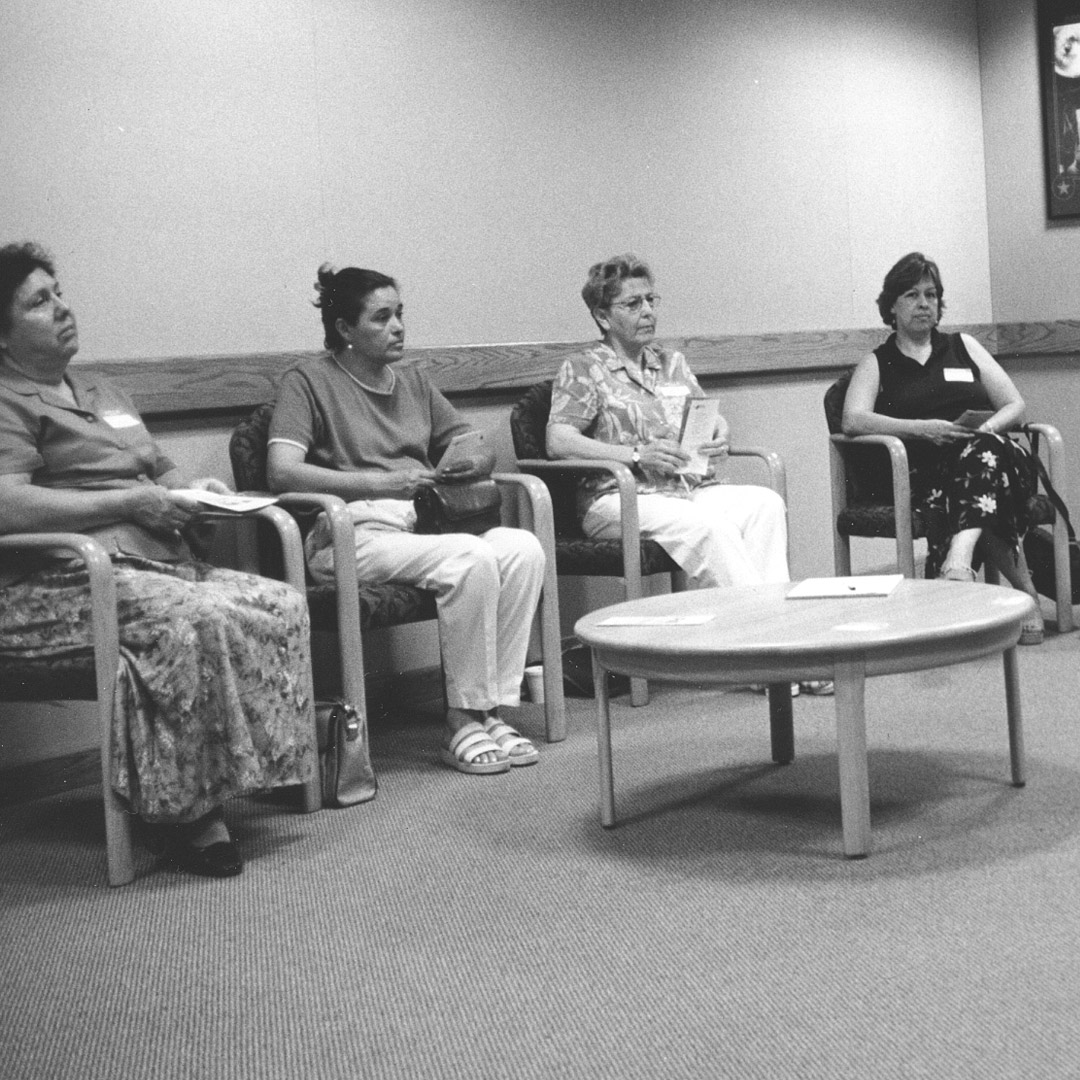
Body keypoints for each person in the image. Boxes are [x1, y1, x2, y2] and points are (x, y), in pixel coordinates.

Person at [0, 242, 317, 877]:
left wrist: (201, 493)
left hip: (152, 559)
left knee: (277, 601)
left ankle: (251, 775)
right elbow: (8, 504)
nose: (63, 308)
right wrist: (133, 502)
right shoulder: (8, 399)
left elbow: (155, 463)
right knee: (184, 619)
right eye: (39, 301)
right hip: (57, 581)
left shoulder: (99, 387)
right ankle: (181, 817)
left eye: (59, 291)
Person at [267, 264, 545, 775]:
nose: (398, 327)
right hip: (351, 532)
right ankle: (461, 719)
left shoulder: (414, 380)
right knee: (471, 556)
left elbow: (468, 439)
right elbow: (281, 471)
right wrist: (377, 484)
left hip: (421, 525)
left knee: (523, 549)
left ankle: (491, 710)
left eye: (400, 314)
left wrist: (469, 457)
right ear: (345, 329)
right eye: (381, 318)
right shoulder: (307, 382)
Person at [547, 252, 830, 696]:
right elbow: (559, 440)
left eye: (651, 300)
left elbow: (703, 415)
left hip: (684, 489)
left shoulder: (672, 363)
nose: (647, 312)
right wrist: (636, 455)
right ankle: (771, 654)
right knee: (707, 527)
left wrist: (720, 429)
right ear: (603, 316)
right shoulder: (584, 368)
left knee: (763, 504)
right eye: (633, 304)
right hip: (616, 499)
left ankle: (776, 647)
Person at [842, 251, 1044, 644]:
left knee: (983, 457)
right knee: (977, 490)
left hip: (996, 457)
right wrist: (920, 430)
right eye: (912, 295)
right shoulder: (878, 362)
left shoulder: (962, 346)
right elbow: (853, 419)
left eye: (931, 295)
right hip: (928, 472)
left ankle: (957, 560)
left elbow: (1015, 404)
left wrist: (983, 430)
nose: (923, 304)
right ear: (892, 306)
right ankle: (1026, 595)